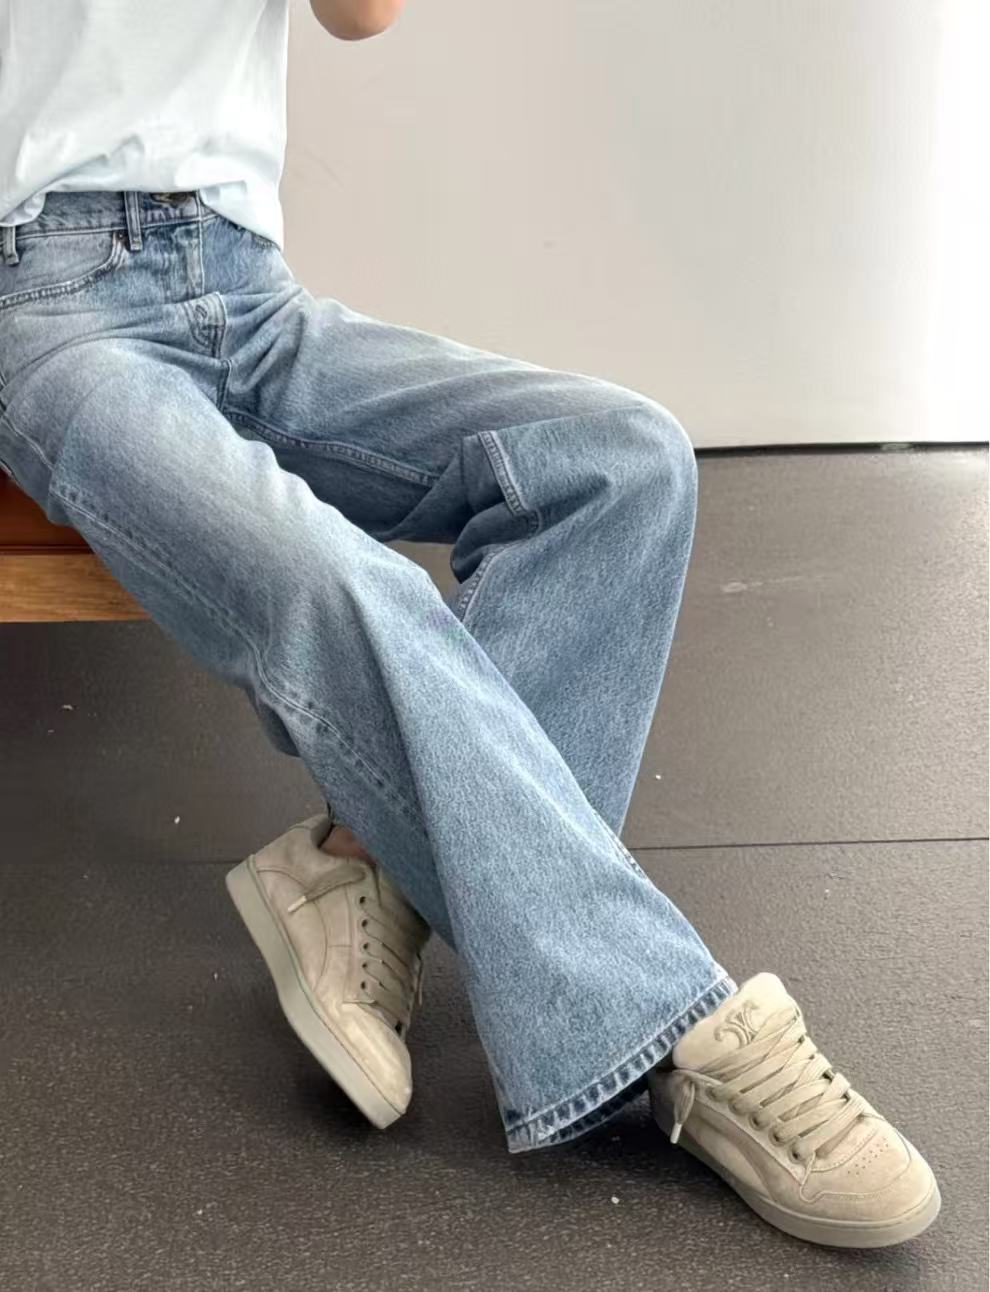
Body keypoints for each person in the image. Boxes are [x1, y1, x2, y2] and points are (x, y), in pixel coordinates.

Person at [0, 0, 940, 1249]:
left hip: (239, 282)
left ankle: (363, 863)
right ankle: (673, 1024)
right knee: (333, 582)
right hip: (46, 310)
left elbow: (361, 15)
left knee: (623, 461)